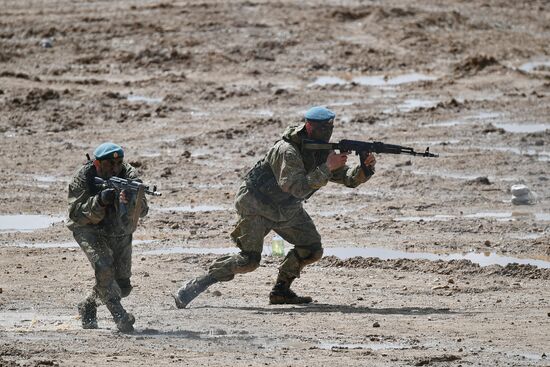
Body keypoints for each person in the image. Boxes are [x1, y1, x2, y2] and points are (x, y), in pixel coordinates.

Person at [173, 106, 376, 308]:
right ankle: (196, 285)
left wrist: (365, 169)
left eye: (329, 128)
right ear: (308, 126)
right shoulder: (287, 151)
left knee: (311, 249)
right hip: (256, 205)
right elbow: (297, 188)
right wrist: (327, 167)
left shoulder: (320, 150)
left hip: (286, 209)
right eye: (322, 128)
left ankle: (281, 291)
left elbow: (347, 178)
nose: (327, 133)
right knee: (248, 261)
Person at [67, 142, 148, 332]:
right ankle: (119, 316)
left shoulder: (129, 176)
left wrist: (129, 202)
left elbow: (143, 210)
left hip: (118, 229)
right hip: (88, 228)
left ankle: (88, 304)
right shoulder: (83, 177)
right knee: (104, 267)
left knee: (122, 286)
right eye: (110, 164)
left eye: (119, 163)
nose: (115, 168)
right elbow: (76, 213)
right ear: (97, 164)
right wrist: (100, 200)